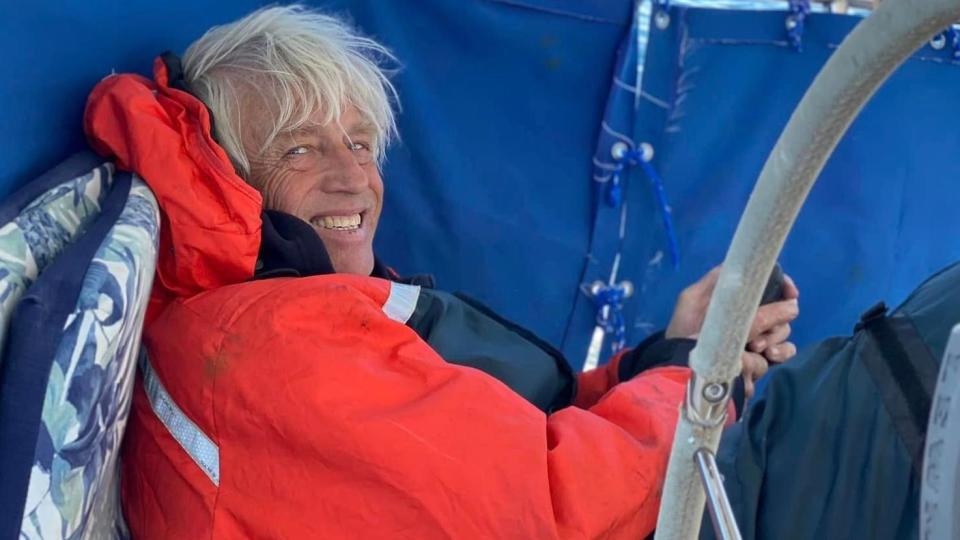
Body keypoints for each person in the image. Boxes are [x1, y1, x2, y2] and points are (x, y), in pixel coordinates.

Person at [84, 5, 799, 538]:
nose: (352, 178)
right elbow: (555, 508)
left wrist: (659, 360)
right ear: (229, 178)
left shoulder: (265, 312)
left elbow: (496, 433)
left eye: (362, 143)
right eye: (300, 151)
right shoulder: (267, 350)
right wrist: (689, 375)